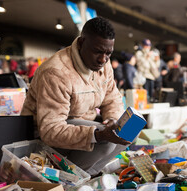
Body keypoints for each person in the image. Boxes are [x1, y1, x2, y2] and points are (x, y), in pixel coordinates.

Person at [21, 17, 130, 176]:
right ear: (80, 43)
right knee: (106, 141)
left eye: (108, 53)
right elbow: (51, 130)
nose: (103, 59)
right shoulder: (56, 72)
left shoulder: (104, 65)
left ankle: (86, 174)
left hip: (80, 127)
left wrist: (113, 120)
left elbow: (112, 99)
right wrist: (96, 135)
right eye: (97, 51)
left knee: (127, 133)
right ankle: (67, 178)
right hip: (44, 138)